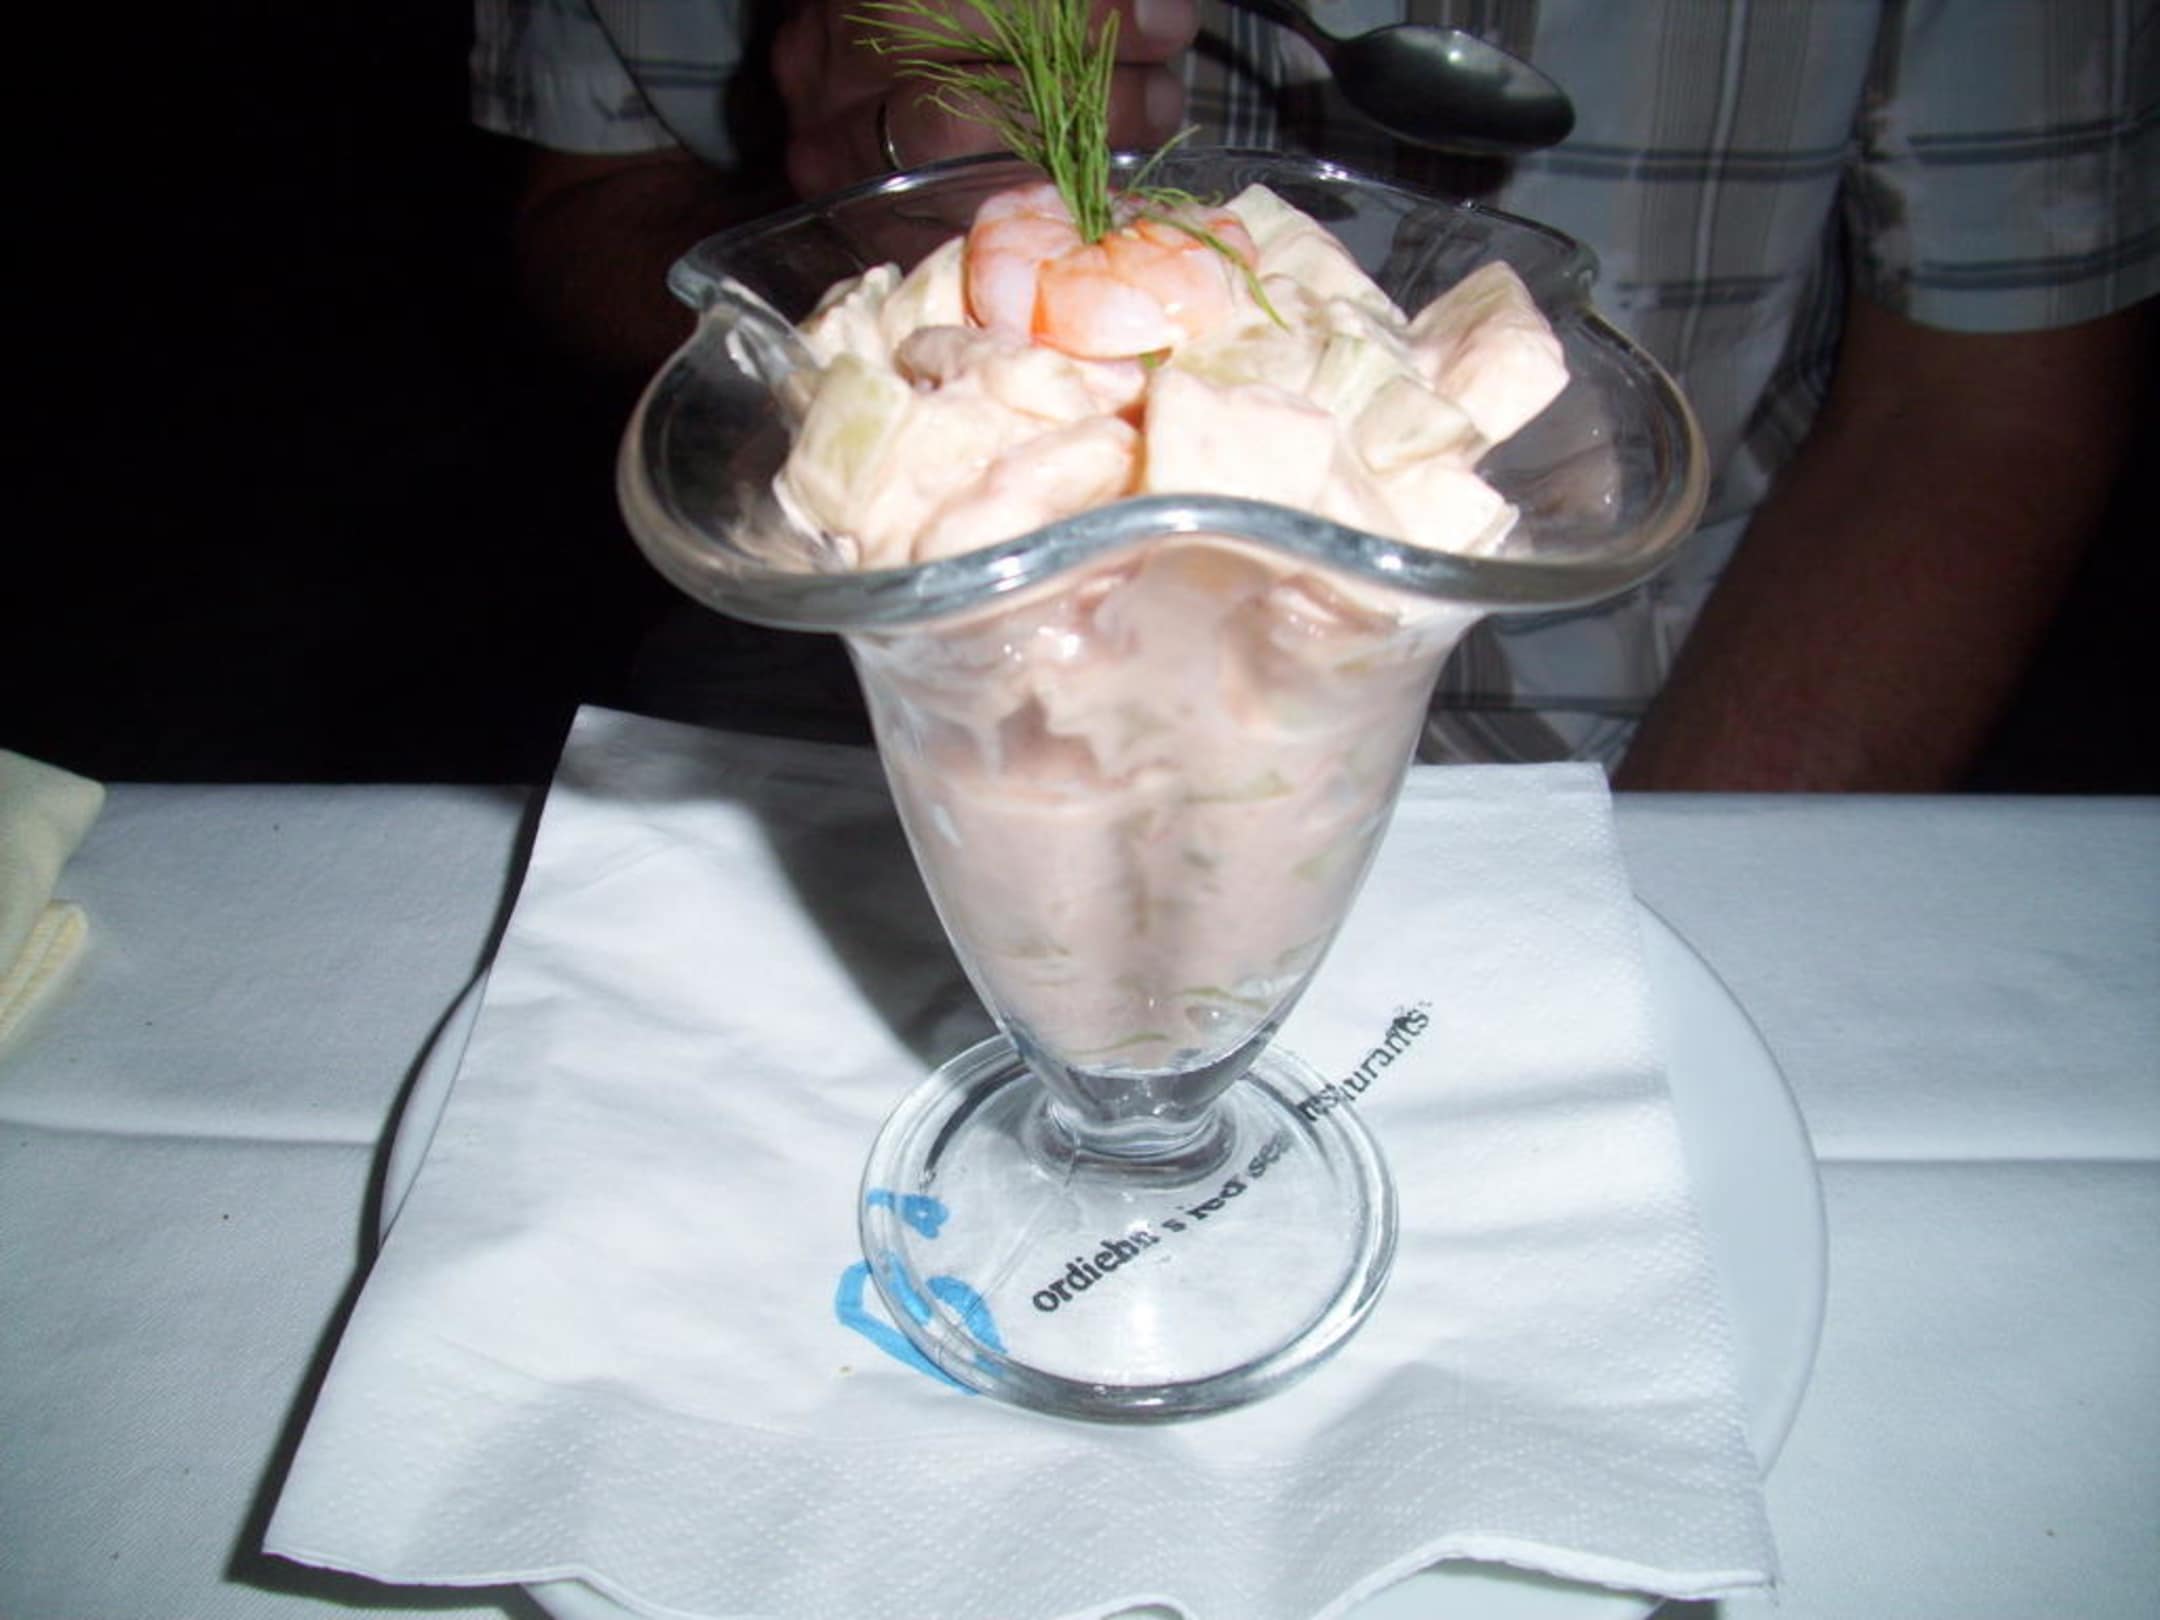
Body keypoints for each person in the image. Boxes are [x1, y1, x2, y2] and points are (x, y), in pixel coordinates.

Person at [471, 0, 2156, 788]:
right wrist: (848, 208)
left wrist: (1656, 897)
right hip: (867, 731)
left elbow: (1992, 403)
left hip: (1642, 717)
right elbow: (576, 217)